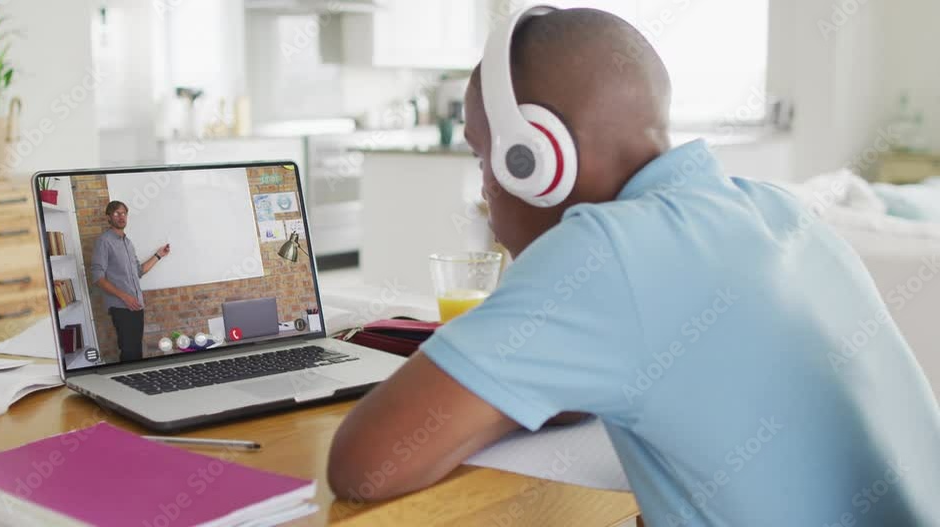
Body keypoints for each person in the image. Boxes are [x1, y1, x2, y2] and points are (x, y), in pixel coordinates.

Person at [327, 7, 940, 526]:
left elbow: (364, 464)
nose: (485, 186)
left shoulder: (606, 250)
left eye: (485, 155)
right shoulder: (776, 211)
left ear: (533, 160)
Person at [91, 200, 171, 363]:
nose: (121, 217)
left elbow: (139, 272)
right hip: (121, 306)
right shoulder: (104, 242)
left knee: (136, 350)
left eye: (124, 213)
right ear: (109, 217)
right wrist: (125, 297)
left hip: (136, 305)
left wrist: (158, 255)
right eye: (116, 213)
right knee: (128, 352)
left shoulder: (128, 243)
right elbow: (97, 277)